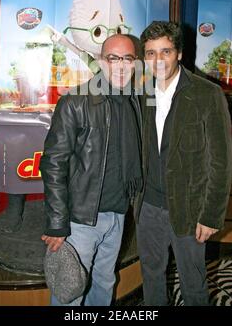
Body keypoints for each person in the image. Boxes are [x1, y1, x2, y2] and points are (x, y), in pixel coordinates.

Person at [135, 21, 232, 306]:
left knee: (193, 283)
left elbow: (221, 161)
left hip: (190, 210)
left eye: (165, 51)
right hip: (148, 206)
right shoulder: (141, 93)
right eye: (151, 53)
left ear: (179, 53)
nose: (158, 60)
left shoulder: (207, 94)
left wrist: (211, 215)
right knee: (151, 278)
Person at [40, 34, 142, 306]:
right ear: (100, 61)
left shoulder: (133, 101)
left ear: (135, 64)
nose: (120, 65)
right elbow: (53, 164)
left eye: (128, 59)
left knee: (104, 283)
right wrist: (57, 223)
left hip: (118, 215)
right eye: (113, 58)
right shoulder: (76, 102)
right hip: (81, 220)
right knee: (70, 291)